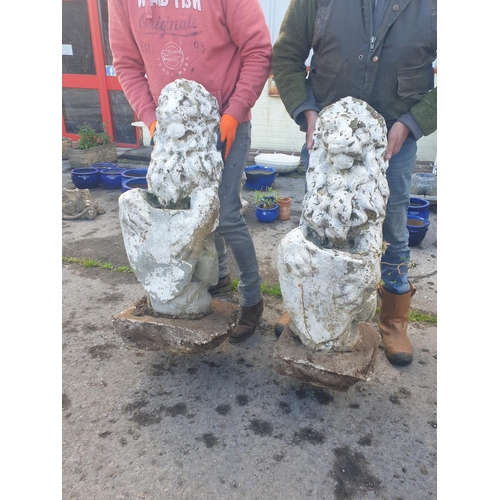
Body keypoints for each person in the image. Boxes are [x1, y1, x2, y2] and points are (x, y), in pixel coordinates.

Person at [272, 0, 437, 366]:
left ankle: (392, 319)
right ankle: (307, 303)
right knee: (317, 222)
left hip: (392, 142)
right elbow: (285, 55)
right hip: (328, 140)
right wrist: (307, 111)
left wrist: (412, 122)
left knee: (392, 229)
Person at [108, 0, 272, 343]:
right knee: (182, 208)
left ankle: (252, 299)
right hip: (170, 126)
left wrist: (235, 111)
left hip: (224, 119)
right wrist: (152, 119)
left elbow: (258, 50)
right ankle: (219, 277)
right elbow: (126, 62)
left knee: (224, 212)